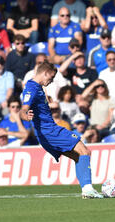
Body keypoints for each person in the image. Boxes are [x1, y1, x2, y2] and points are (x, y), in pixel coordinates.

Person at [19, 61, 103, 199]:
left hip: (45, 134)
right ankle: (88, 189)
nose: (51, 81)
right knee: (84, 151)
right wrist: (25, 116)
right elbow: (23, 110)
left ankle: (87, 190)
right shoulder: (32, 88)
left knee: (78, 156)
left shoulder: (36, 86)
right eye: (51, 78)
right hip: (50, 131)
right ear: (45, 73)